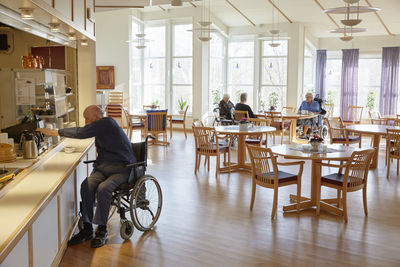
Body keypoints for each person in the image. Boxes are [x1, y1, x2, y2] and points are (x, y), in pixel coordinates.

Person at [37, 105, 136, 248]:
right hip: (104, 167)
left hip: (122, 168)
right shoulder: (100, 127)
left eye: (87, 118)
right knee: (87, 184)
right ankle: (87, 228)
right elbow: (85, 131)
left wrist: (52, 132)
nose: (86, 122)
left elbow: (81, 132)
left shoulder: (107, 123)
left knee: (104, 188)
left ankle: (102, 230)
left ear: (97, 116)